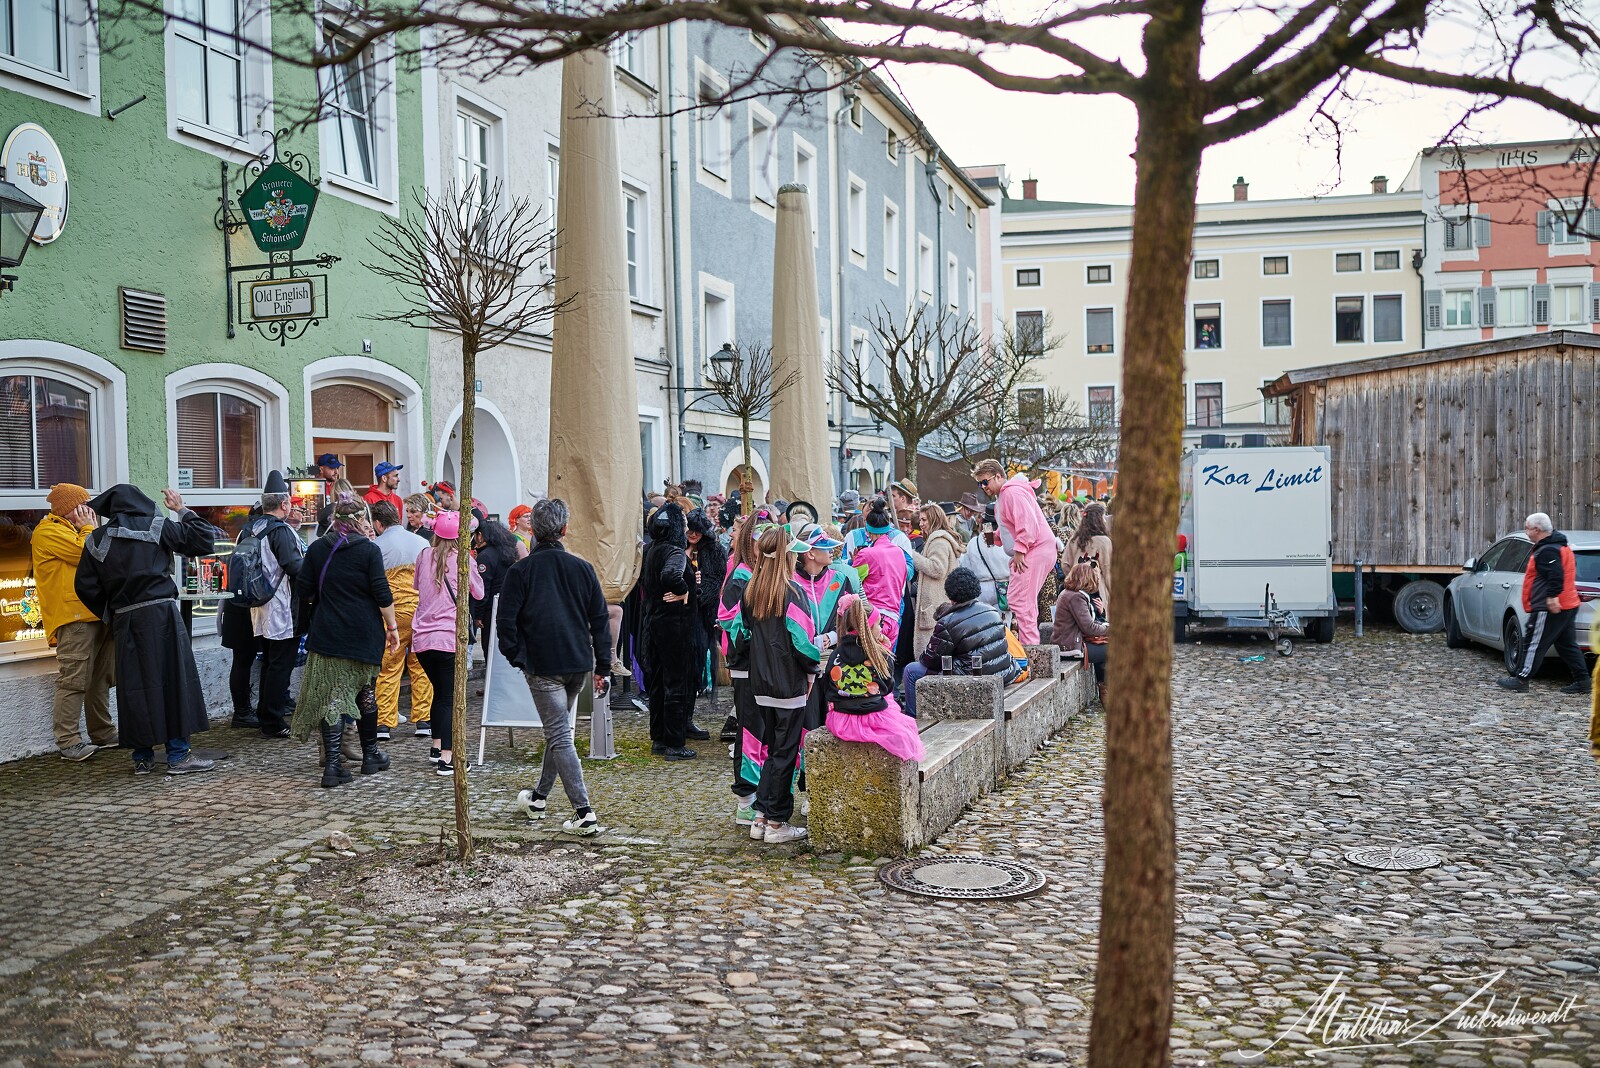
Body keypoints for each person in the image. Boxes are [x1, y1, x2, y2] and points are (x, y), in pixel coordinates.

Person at [73, 486, 217, 776]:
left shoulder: (96, 539)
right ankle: (178, 755)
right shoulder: (157, 525)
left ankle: (142, 759)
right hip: (161, 615)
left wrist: (111, 612)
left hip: (126, 620)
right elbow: (204, 539)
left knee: (135, 687)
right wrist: (181, 509)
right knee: (172, 682)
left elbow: (85, 587)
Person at [502, 498, 609, 836]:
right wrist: (602, 664)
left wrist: (518, 656)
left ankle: (584, 812)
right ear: (564, 530)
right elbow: (600, 621)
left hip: (544, 664)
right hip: (577, 661)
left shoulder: (521, 571)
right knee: (559, 730)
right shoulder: (583, 568)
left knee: (559, 734)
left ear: (532, 529)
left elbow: (505, 623)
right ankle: (538, 797)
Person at [293, 497, 399, 787]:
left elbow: (304, 589)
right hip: (364, 633)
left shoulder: (317, 549)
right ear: (360, 519)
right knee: (366, 692)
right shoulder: (368, 550)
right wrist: (392, 627)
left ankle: (334, 765)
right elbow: (381, 592)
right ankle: (370, 756)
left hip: (327, 633)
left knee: (333, 698)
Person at [739, 524, 822, 844]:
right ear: (787, 555)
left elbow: (741, 636)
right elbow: (803, 642)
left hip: (761, 684)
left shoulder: (752, 591)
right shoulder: (792, 592)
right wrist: (813, 668)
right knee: (785, 753)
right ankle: (776, 822)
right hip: (788, 684)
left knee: (772, 751)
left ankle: (762, 816)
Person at [31, 483, 116, 761]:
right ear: (72, 509)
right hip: (74, 617)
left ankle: (102, 733)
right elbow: (87, 552)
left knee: (99, 679)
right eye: (85, 505)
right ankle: (68, 742)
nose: (91, 510)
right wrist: (88, 528)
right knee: (74, 680)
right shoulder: (48, 532)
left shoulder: (75, 530)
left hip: (96, 613)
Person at [412, 510, 484, 776]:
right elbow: (479, 591)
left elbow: (417, 586)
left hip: (422, 639)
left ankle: (435, 746)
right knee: (449, 698)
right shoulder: (463, 559)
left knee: (439, 692)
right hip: (449, 637)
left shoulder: (423, 555)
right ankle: (447, 757)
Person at [902, 567, 1022, 719]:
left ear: (950, 593)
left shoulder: (948, 622)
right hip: (1002, 673)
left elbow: (930, 660)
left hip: (973, 676)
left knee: (911, 671)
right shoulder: (991, 611)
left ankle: (912, 718)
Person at [822, 593, 925, 763]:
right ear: (868, 629)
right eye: (879, 624)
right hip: (874, 717)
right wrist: (884, 647)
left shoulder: (835, 654)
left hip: (841, 720)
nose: (881, 629)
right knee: (906, 728)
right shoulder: (880, 655)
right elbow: (887, 687)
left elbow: (828, 687)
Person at [241, 472, 306, 739]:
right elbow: (294, 567)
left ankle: (266, 713)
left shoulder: (249, 528)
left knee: (269, 661)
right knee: (281, 664)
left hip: (258, 604)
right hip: (282, 607)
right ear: (284, 505)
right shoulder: (280, 530)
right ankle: (273, 719)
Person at [1499, 512, 1590, 694]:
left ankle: (1521, 679)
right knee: (1567, 645)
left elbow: (1556, 574)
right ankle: (1583, 682)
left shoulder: (1547, 550)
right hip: (1568, 604)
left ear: (1537, 529)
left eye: (1527, 528)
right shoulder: (1559, 546)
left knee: (1534, 642)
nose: (1526, 532)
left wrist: (1552, 597)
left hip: (1550, 607)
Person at [638, 502, 703, 760]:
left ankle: (659, 738)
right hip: (674, 627)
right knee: (675, 682)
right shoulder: (675, 552)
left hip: (655, 624)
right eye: (684, 523)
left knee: (657, 683)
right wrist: (684, 590)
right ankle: (675, 743)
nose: (687, 527)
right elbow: (670, 576)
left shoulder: (653, 549)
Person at [974, 459, 1060, 645]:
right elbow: (1013, 526)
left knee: (1020, 600)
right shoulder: (1005, 496)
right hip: (1036, 548)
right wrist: (997, 537)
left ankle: (1031, 648)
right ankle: (1030, 645)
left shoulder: (1011, 492)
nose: (982, 487)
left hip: (1034, 548)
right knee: (1019, 599)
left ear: (998, 476)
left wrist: (1020, 550)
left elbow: (1027, 523)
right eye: (979, 483)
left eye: (984, 482)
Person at [369, 501, 433, 742]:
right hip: (420, 612)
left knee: (389, 667)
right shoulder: (421, 542)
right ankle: (424, 719)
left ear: (377, 523)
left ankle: (384, 722)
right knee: (420, 666)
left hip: (392, 615)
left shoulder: (377, 546)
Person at [718, 514, 763, 820]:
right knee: (748, 731)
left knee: (760, 731)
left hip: (762, 666)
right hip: (746, 666)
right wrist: (753, 632)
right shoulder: (742, 575)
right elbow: (725, 617)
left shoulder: (758, 574)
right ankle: (745, 800)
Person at [219, 506, 264, 730]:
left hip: (236, 602)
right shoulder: (259, 534)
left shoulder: (244, 533)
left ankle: (244, 709)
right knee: (244, 660)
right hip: (249, 604)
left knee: (242, 660)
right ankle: (243, 711)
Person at [851, 500, 912, 650]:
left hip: (874, 619)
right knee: (886, 666)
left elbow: (853, 583)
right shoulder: (899, 552)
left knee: (870, 668)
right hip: (894, 618)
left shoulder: (866, 554)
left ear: (867, 530)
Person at [909, 503, 961, 658]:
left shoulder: (939, 541)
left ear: (934, 519)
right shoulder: (938, 539)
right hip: (938, 603)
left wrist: (912, 555)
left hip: (935, 604)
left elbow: (937, 569)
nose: (921, 523)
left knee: (930, 654)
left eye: (924, 519)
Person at [686, 507, 728, 696]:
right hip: (684, 609)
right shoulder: (681, 550)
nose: (693, 534)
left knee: (704, 646)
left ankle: (704, 682)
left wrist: (697, 596)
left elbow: (716, 580)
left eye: (697, 530)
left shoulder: (714, 550)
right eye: (689, 530)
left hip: (705, 609)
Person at [1052, 561, 1109, 695]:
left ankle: (1106, 689)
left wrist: (1103, 619)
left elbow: (1089, 622)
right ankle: (1107, 691)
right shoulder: (1076, 597)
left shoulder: (1069, 593)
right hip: (1071, 647)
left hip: (1071, 643)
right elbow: (1089, 627)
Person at [470, 518, 521, 663]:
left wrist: (478, 615)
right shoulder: (506, 553)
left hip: (490, 608)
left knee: (490, 646)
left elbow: (483, 588)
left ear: (481, 536)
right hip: (506, 604)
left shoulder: (486, 557)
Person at [961, 504, 1013, 611]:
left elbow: (965, 568)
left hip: (981, 590)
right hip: (1004, 588)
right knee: (1005, 623)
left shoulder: (973, 543)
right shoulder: (1008, 542)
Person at [1069, 501, 1113, 604]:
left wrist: (1076, 577)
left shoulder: (1074, 539)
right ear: (1098, 520)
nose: (1105, 521)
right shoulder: (1104, 541)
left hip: (1075, 590)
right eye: (1103, 517)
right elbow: (1108, 571)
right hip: (1098, 591)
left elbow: (1065, 563)